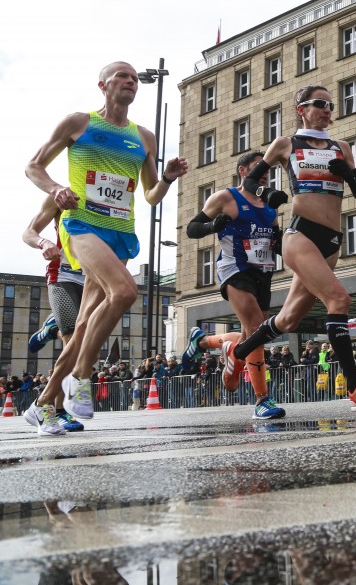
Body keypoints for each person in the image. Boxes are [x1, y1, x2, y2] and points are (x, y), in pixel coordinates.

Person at [23, 62, 187, 434]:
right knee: (125, 291)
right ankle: (80, 378)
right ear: (103, 85)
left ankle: (43, 402)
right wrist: (55, 190)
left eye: (134, 79)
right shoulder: (79, 123)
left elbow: (150, 195)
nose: (131, 82)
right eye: (122, 77)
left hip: (120, 233)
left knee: (83, 327)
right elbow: (33, 166)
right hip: (81, 224)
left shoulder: (144, 136)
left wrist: (166, 178)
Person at [222, 85, 356, 411]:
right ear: (301, 108)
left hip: (331, 241)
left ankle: (238, 353)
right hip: (299, 236)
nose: (328, 109)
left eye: (331, 104)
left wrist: (347, 173)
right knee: (339, 299)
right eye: (320, 103)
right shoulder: (286, 143)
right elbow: (251, 183)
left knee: (287, 320)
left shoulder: (341, 146)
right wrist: (269, 196)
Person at [182, 151, 284, 420]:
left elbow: (279, 242)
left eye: (266, 170)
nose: (264, 174)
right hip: (234, 269)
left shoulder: (270, 205)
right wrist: (213, 225)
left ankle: (211, 343)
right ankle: (263, 400)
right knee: (256, 327)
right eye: (257, 169)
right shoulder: (226, 198)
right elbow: (192, 228)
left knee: (253, 332)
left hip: (264, 273)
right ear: (242, 171)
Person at [21, 196, 89, 432]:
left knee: (85, 347)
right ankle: (56, 410)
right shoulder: (62, 196)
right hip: (62, 276)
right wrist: (43, 242)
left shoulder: (110, 196)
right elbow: (29, 231)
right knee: (74, 344)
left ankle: (53, 328)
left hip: (92, 276)